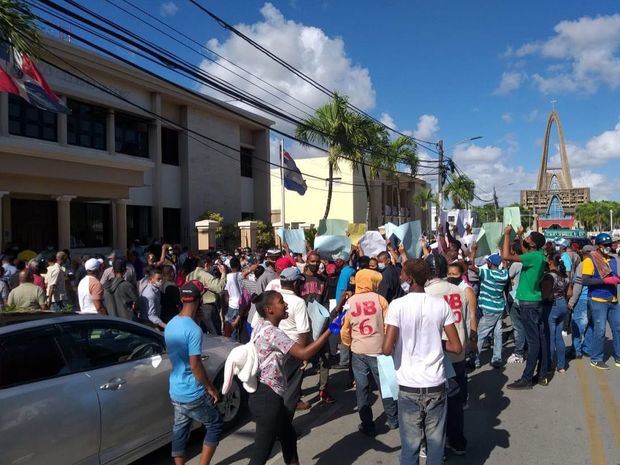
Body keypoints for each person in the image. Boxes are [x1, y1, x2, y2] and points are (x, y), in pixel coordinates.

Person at [382, 259, 462, 465]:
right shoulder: (440, 305)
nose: (399, 277)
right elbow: (456, 346)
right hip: (435, 384)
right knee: (436, 446)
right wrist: (436, 343)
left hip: (408, 387)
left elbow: (386, 348)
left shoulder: (397, 306)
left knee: (410, 447)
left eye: (402, 274)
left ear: (409, 278)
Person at [248, 290, 335, 465]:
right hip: (267, 398)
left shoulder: (260, 325)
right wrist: (330, 331)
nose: (286, 304)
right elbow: (303, 353)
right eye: (281, 302)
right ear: (269, 309)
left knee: (288, 437)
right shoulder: (273, 333)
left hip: (269, 395)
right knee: (260, 456)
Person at [165, 280, 222, 465]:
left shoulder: (171, 324)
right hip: (192, 391)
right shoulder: (194, 330)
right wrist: (210, 388)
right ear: (199, 300)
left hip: (176, 389)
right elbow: (195, 364)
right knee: (214, 424)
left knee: (180, 430)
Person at [340, 268, 398, 435]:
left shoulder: (350, 302)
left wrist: (349, 343)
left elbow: (345, 329)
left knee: (362, 388)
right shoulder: (380, 300)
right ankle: (393, 420)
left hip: (358, 351)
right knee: (386, 387)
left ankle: (367, 425)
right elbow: (389, 325)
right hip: (380, 350)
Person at [424, 251, 471, 456]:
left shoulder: (426, 294)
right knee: (455, 402)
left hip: (437, 354)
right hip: (458, 352)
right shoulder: (460, 291)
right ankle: (458, 441)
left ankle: (437, 448)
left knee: (434, 407)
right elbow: (467, 320)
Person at [502, 227, 549, 389]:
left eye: (528, 238)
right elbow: (523, 250)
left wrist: (507, 235)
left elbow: (506, 256)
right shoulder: (539, 256)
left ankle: (527, 378)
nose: (526, 239)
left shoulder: (533, 257)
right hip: (536, 301)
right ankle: (542, 374)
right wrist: (521, 235)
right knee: (541, 339)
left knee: (533, 342)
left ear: (533, 244)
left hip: (528, 303)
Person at [581, 233, 620, 369]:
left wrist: (616, 279)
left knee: (618, 328)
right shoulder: (590, 260)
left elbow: (614, 276)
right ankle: (596, 358)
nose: (608, 247)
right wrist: (604, 280)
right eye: (605, 245)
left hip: (613, 299)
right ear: (598, 246)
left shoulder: (612, 260)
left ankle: (619, 357)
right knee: (600, 330)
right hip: (598, 300)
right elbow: (585, 281)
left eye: (610, 245)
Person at [300, 251, 334, 404]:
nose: (314, 265)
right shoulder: (299, 279)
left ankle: (323, 389)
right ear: (307, 261)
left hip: (319, 324)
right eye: (312, 261)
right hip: (303, 325)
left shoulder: (323, 280)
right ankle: (296, 391)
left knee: (325, 357)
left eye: (317, 262)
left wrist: (326, 317)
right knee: (301, 360)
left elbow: (326, 301)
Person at [277, 267, 312, 415]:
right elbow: (303, 331)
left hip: (273, 348)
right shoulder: (298, 302)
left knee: (277, 388)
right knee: (290, 391)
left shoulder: (271, 298)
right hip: (292, 350)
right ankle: (285, 431)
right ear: (295, 283)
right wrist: (304, 354)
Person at [469, 248, 509, 369]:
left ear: (490, 263)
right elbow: (506, 264)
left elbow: (471, 266)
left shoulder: (487, 274)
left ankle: (474, 360)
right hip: (499, 308)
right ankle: (497, 358)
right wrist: (503, 251)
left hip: (488, 309)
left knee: (480, 334)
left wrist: (474, 250)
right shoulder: (504, 274)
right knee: (498, 333)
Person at [541, 254, 571, 373]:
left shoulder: (549, 276)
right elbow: (569, 293)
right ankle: (561, 365)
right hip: (563, 304)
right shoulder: (564, 276)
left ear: (550, 262)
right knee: (559, 337)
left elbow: (546, 295)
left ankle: (548, 366)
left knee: (550, 338)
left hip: (552, 306)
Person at [187, 254, 227, 335]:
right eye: (210, 265)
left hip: (195, 308)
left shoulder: (189, 275)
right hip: (208, 307)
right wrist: (223, 273)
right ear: (206, 264)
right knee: (216, 335)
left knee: (202, 335)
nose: (211, 268)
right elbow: (219, 287)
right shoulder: (205, 276)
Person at [568, 245, 595, 359]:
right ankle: (587, 348)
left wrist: (571, 302)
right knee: (591, 325)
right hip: (595, 299)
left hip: (583, 299)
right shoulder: (598, 264)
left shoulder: (583, 265)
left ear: (584, 253)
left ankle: (576, 351)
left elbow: (578, 285)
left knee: (578, 326)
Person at [506, 241, 526, 364]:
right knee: (524, 326)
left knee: (518, 327)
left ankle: (519, 352)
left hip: (515, 298)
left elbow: (506, 277)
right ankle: (524, 348)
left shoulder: (516, 264)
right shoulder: (526, 262)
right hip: (524, 298)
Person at [224, 257, 243, 338]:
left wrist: (227, 302)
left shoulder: (228, 277)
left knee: (232, 328)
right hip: (242, 305)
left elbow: (226, 292)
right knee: (239, 329)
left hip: (232, 305)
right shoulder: (242, 275)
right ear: (238, 265)